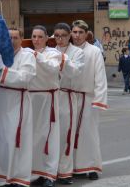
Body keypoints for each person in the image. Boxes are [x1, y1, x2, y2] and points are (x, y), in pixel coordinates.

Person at [0, 27, 36, 187]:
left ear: (21, 39)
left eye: (16, 37)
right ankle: (9, 177)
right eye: (9, 37)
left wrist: (3, 69)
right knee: (4, 140)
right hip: (1, 101)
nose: (12, 40)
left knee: (18, 140)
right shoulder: (1, 55)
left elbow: (25, 78)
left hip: (17, 101)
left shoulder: (27, 55)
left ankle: (20, 178)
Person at [71, 20, 107, 181]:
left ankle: (91, 166)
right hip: (68, 98)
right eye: (75, 32)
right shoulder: (66, 50)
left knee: (89, 134)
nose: (77, 35)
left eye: (80, 32)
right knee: (69, 134)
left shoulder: (94, 51)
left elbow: (100, 77)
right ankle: (70, 167)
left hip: (88, 98)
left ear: (86, 34)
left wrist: (98, 100)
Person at [28, 26, 61, 187]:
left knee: (50, 138)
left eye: (40, 36)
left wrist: (36, 56)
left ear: (47, 38)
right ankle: (37, 174)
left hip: (48, 98)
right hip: (31, 98)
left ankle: (50, 175)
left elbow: (52, 68)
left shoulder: (53, 53)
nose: (36, 40)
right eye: (34, 36)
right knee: (34, 138)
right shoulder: (27, 54)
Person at [53, 22, 85, 185]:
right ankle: (49, 171)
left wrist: (63, 59)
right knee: (50, 136)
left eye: (63, 36)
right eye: (56, 35)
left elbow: (75, 73)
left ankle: (65, 172)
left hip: (67, 95)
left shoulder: (78, 52)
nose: (60, 39)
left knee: (66, 135)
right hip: (51, 97)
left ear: (69, 36)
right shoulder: (50, 51)